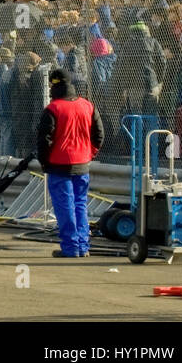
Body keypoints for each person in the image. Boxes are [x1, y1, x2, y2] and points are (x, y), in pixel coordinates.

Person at [36, 69, 104, 258]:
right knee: (80, 204)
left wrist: (44, 162)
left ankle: (71, 247)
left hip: (59, 164)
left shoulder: (53, 109)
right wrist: (89, 153)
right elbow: (99, 135)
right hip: (82, 162)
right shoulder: (87, 106)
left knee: (64, 205)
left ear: (53, 85)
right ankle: (83, 246)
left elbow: (44, 140)